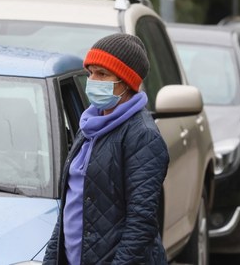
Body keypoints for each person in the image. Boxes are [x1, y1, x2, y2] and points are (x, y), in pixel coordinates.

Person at [43, 33, 169, 265]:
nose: (93, 80)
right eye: (91, 72)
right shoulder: (90, 125)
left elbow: (141, 223)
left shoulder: (142, 136)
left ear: (126, 81)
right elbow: (71, 206)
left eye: (102, 74)